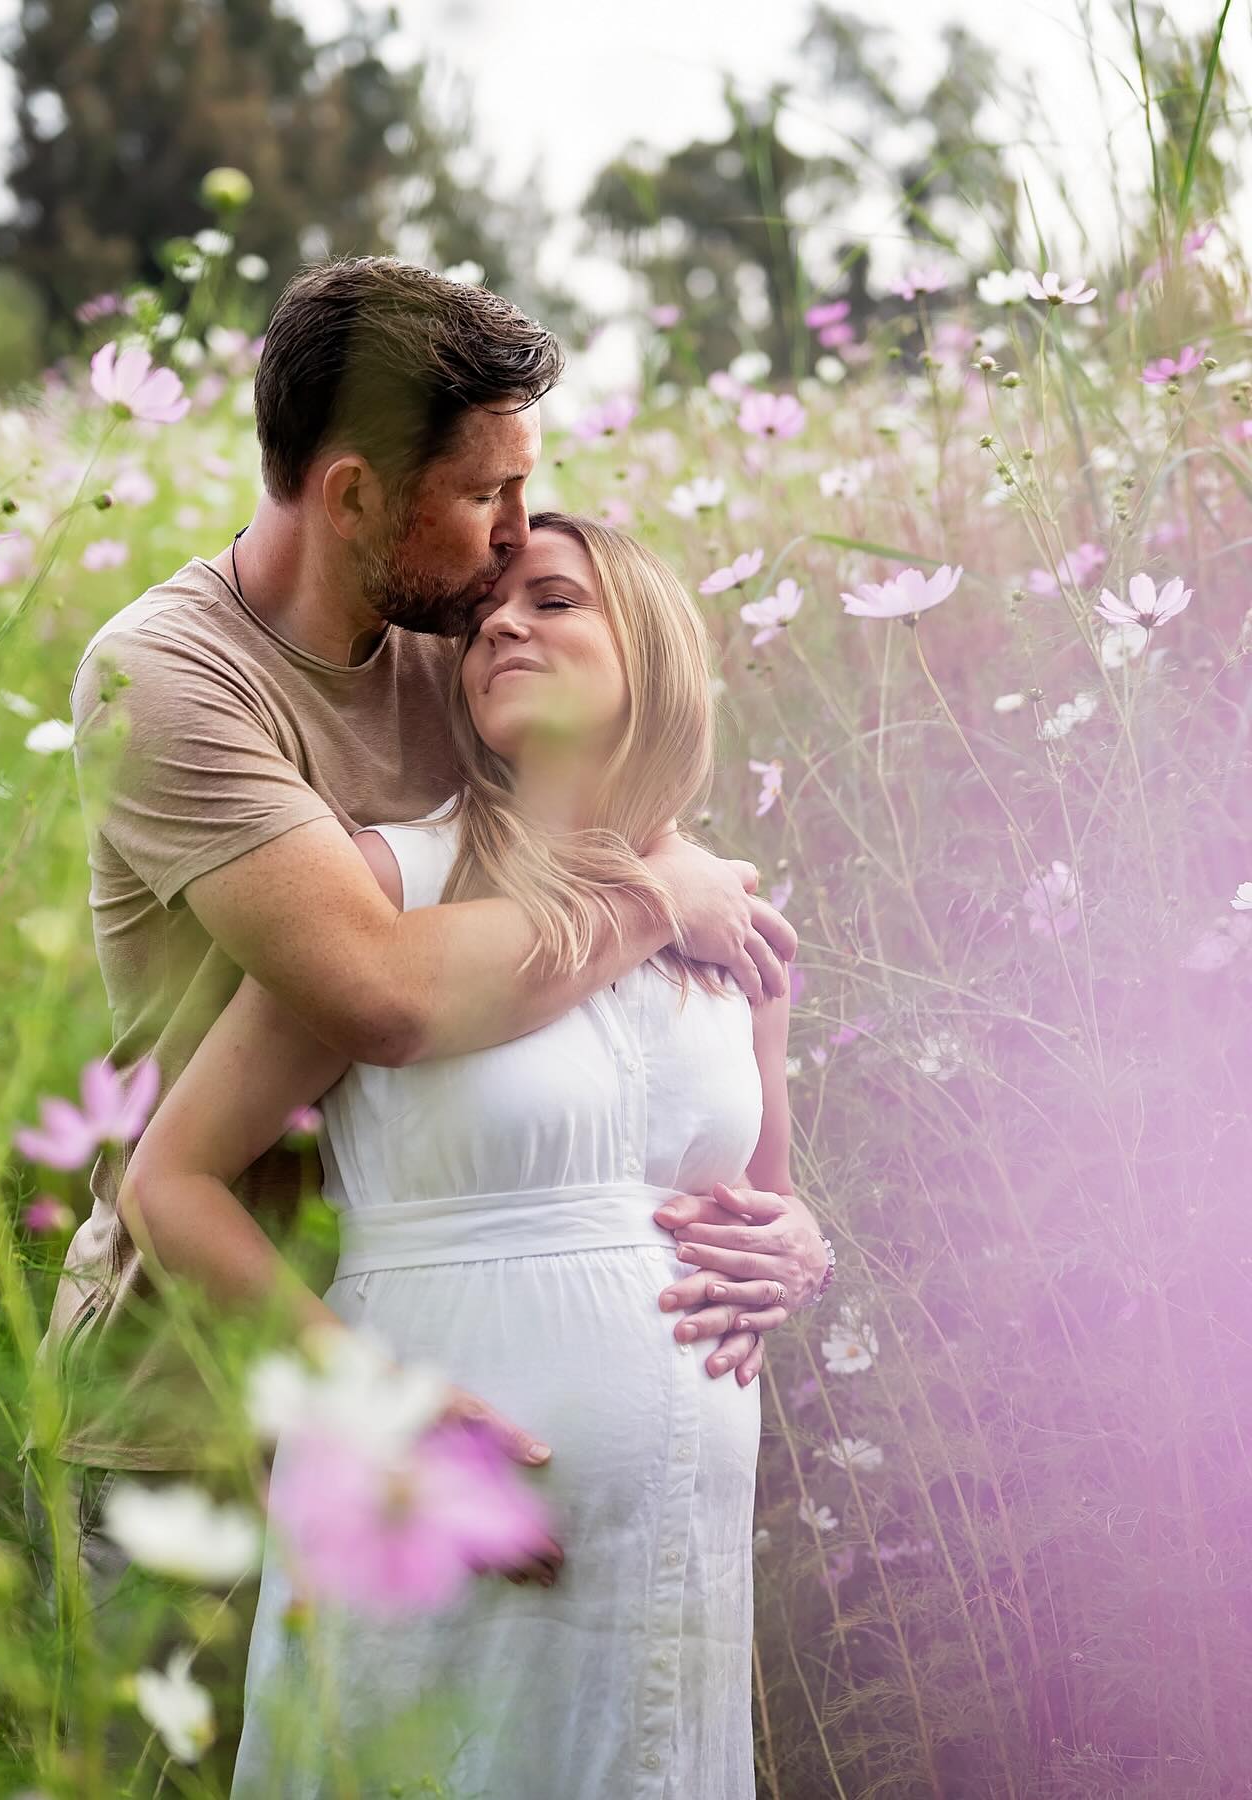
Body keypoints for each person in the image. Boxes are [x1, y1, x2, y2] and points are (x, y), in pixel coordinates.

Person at [120, 512, 827, 1798]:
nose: (500, 622)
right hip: (418, 1510)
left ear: (654, 649)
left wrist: (801, 1247)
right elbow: (171, 1183)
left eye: (553, 600)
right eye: (484, 614)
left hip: (671, 1545)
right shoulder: (394, 888)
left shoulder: (731, 929)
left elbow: (758, 1210)